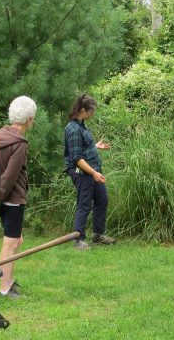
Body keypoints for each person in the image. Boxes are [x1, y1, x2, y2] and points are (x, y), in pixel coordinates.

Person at [0, 96, 37, 299]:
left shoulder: (1, 134)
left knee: (16, 240)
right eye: (33, 118)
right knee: (10, 243)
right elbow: (9, 176)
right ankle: (5, 288)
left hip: (2, 196)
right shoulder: (20, 143)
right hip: (12, 198)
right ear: (28, 119)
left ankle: (8, 280)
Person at [64, 94, 116, 250]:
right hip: (82, 172)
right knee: (84, 204)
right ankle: (78, 240)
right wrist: (93, 173)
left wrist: (95, 146)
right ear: (82, 110)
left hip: (93, 170)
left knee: (102, 199)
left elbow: (83, 147)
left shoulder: (82, 124)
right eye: (91, 111)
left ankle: (98, 235)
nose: (92, 114)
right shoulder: (72, 129)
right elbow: (77, 158)